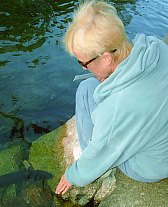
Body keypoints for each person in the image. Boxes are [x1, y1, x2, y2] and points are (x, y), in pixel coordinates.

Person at [55, 0, 168, 195]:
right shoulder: (156, 47)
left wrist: (74, 174)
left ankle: (95, 161)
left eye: (83, 62)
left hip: (150, 165)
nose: (82, 67)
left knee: (85, 88)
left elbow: (101, 150)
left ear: (107, 58)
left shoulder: (117, 107)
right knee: (92, 83)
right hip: (160, 137)